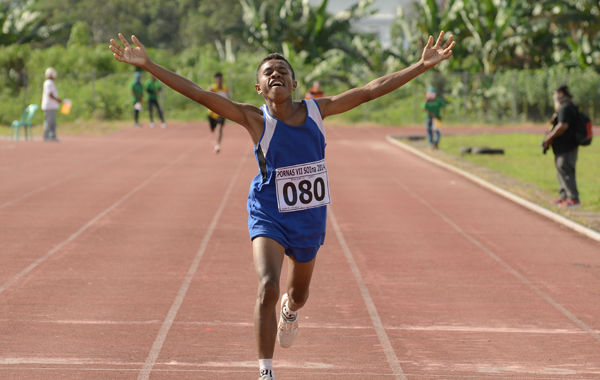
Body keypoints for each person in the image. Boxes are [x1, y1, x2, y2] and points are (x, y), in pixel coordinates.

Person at [109, 30, 455, 380]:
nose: (275, 73)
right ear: (258, 87)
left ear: (295, 83)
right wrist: (150, 65)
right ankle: (266, 372)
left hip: (308, 217)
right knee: (267, 285)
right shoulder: (254, 118)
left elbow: (369, 90)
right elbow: (199, 94)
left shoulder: (319, 111)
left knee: (298, 294)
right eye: (268, 72)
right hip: (268, 212)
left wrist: (420, 66)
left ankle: (290, 311)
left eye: (282, 70)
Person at [542, 85, 581, 208]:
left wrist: (549, 138)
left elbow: (563, 126)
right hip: (563, 146)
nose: (554, 97)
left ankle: (573, 199)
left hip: (567, 146)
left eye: (556, 94)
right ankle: (563, 196)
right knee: (561, 170)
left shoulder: (565, 108)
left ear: (560, 94)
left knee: (566, 171)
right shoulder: (567, 107)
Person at [207, 72, 229, 152]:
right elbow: (207, 98)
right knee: (213, 129)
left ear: (222, 79)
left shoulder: (225, 88)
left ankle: (217, 145)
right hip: (212, 113)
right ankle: (213, 128)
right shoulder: (212, 88)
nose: (219, 80)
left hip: (221, 112)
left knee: (219, 127)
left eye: (220, 79)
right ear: (216, 80)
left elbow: (228, 99)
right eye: (218, 79)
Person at [41, 67, 63, 142]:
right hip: (49, 106)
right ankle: (48, 136)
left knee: (52, 122)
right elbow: (50, 94)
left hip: (51, 106)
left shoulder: (50, 82)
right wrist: (57, 100)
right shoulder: (48, 83)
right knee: (49, 122)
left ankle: (50, 135)